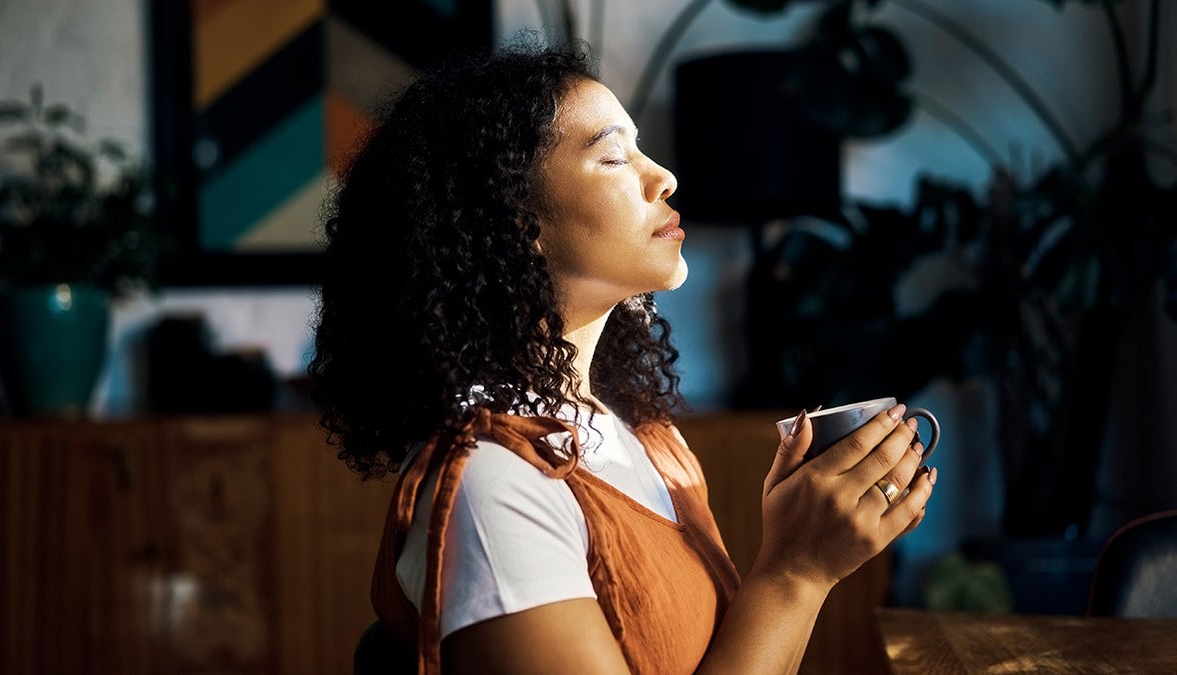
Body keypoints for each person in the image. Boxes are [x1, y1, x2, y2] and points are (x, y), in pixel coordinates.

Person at [308, 36, 937, 675]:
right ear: (516, 222)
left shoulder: (642, 442)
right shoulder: (491, 488)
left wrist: (802, 562)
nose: (662, 177)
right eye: (613, 157)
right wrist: (796, 573)